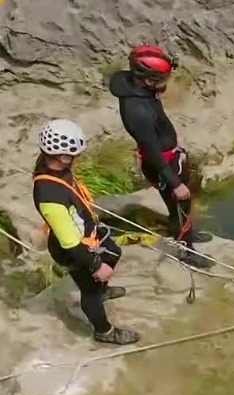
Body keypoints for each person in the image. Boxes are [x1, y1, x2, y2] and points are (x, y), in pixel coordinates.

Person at [31, 119, 139, 346]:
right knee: (89, 290)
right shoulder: (49, 194)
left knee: (113, 251)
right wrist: (96, 266)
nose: (76, 159)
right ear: (62, 157)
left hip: (85, 233)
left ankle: (103, 290)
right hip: (73, 248)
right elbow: (70, 243)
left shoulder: (53, 166)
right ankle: (104, 331)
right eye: (74, 155)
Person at [108, 44, 214, 269]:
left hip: (167, 157)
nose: (166, 82)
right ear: (147, 79)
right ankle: (186, 250)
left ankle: (184, 232)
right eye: (162, 78)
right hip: (161, 162)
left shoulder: (138, 89)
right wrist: (174, 182)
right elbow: (151, 149)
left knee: (180, 203)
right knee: (180, 201)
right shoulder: (136, 110)